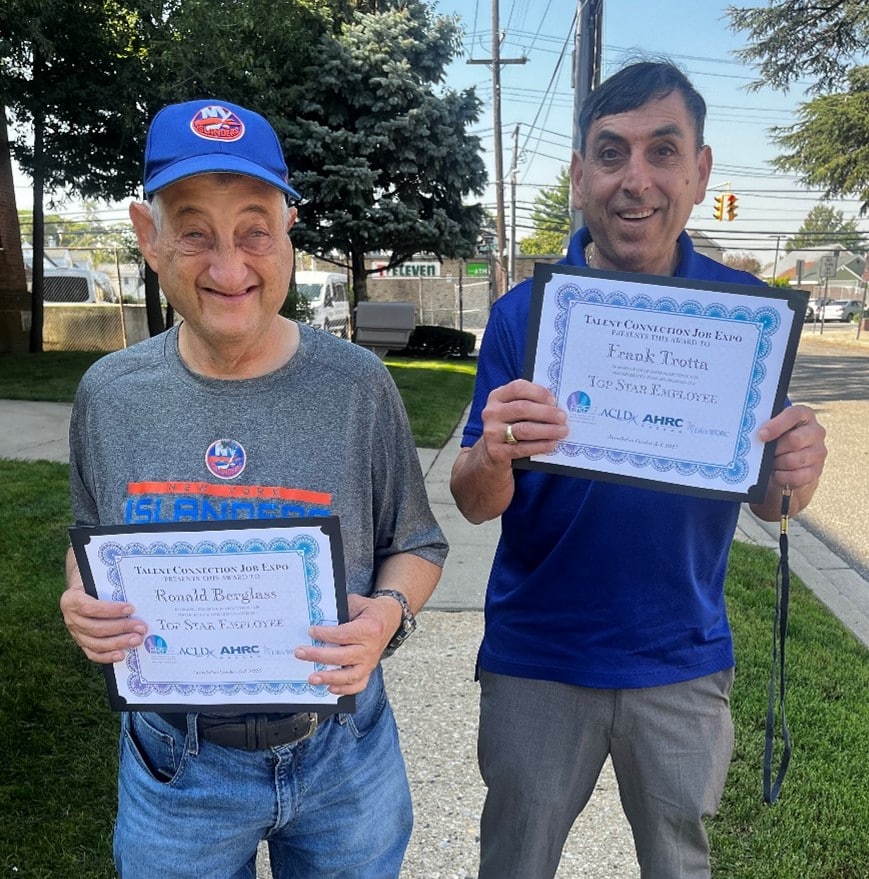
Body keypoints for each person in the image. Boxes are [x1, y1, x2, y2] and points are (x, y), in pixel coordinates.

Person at [450, 60, 827, 879]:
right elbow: (475, 503)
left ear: (699, 172)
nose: (636, 179)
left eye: (662, 151)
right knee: (514, 863)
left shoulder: (744, 319)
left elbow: (771, 498)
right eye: (610, 152)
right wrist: (492, 451)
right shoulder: (524, 316)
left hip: (680, 658)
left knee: (680, 865)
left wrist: (795, 464)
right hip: (538, 657)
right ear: (580, 174)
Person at [59, 98, 448, 879]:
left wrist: (387, 615)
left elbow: (416, 541)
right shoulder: (111, 392)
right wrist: (81, 602)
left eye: (253, 230)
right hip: (178, 770)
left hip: (345, 759)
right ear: (149, 237)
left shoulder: (356, 385)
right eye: (195, 230)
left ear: (287, 230)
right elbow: (91, 538)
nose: (229, 267)